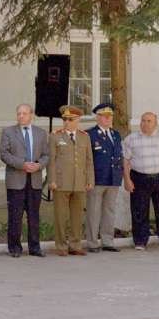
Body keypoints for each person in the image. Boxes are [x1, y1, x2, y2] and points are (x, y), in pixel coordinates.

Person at [122, 112, 159, 250]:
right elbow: (125, 161)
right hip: (139, 179)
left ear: (155, 123)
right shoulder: (131, 139)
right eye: (143, 120)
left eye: (149, 121)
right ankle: (140, 241)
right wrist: (127, 180)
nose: (145, 123)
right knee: (139, 211)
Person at [0, 104, 49, 258]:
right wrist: (22, 164)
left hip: (34, 179)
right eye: (18, 113)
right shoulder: (8, 132)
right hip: (16, 179)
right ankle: (14, 248)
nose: (21, 116)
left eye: (24, 113)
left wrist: (39, 165)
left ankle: (35, 247)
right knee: (15, 215)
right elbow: (4, 154)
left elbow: (46, 155)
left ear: (31, 115)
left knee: (34, 215)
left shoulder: (40, 133)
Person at [47, 105, 94, 256]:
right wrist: (52, 180)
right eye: (65, 119)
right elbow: (51, 161)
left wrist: (89, 179)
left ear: (78, 120)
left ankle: (75, 245)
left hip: (79, 182)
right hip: (61, 182)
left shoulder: (84, 136)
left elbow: (89, 161)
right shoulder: (55, 136)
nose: (67, 122)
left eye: (70, 119)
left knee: (77, 216)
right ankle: (61, 246)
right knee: (61, 216)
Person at [85, 103, 123, 252]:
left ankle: (107, 241)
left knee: (110, 210)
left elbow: (119, 156)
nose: (108, 119)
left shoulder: (115, 134)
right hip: (97, 179)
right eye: (105, 116)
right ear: (98, 118)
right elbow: (87, 160)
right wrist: (88, 179)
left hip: (113, 178)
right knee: (93, 211)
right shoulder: (90, 135)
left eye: (110, 116)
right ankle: (93, 243)